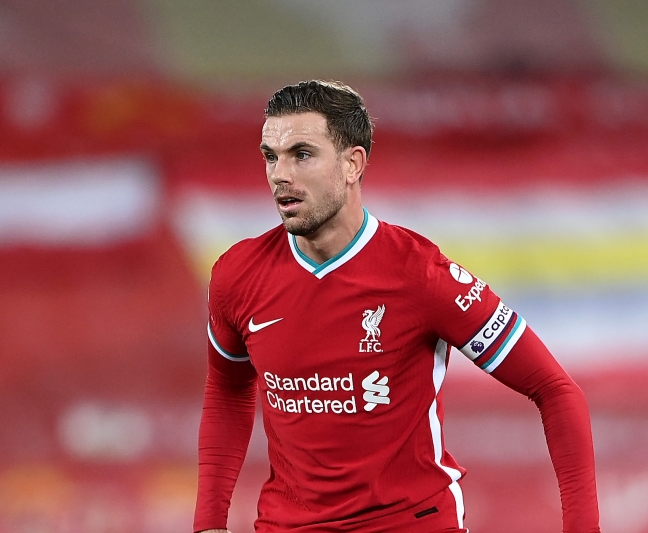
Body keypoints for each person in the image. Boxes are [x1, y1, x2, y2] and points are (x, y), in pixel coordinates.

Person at [194, 80, 600, 533]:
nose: (279, 175)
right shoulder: (237, 275)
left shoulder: (421, 275)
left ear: (352, 164)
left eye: (301, 155)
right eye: (271, 156)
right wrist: (209, 522)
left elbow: (556, 390)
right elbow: (227, 390)